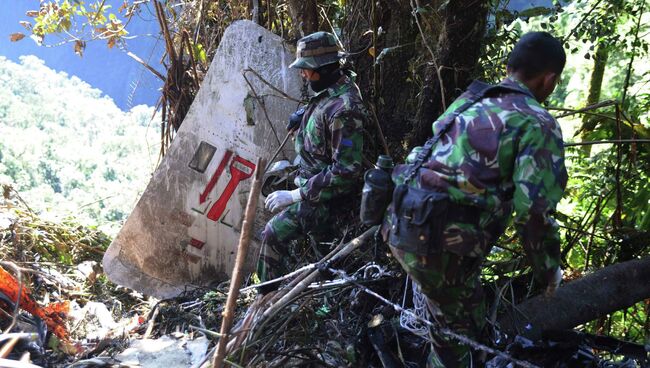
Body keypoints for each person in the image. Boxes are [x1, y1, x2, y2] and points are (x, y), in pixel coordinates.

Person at [384, 32, 567, 367]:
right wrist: (549, 270)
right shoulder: (537, 121)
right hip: (440, 244)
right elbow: (533, 213)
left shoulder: (472, 98)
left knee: (462, 317)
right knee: (458, 335)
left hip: (400, 223)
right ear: (549, 79)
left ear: (510, 66)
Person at [256, 31, 368, 294]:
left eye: (307, 70)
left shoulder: (345, 110)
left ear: (325, 68)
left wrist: (296, 195)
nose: (303, 75)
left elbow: (346, 171)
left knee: (272, 234)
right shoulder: (330, 91)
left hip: (326, 201)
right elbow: (321, 108)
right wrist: (303, 116)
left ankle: (266, 299)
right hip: (309, 183)